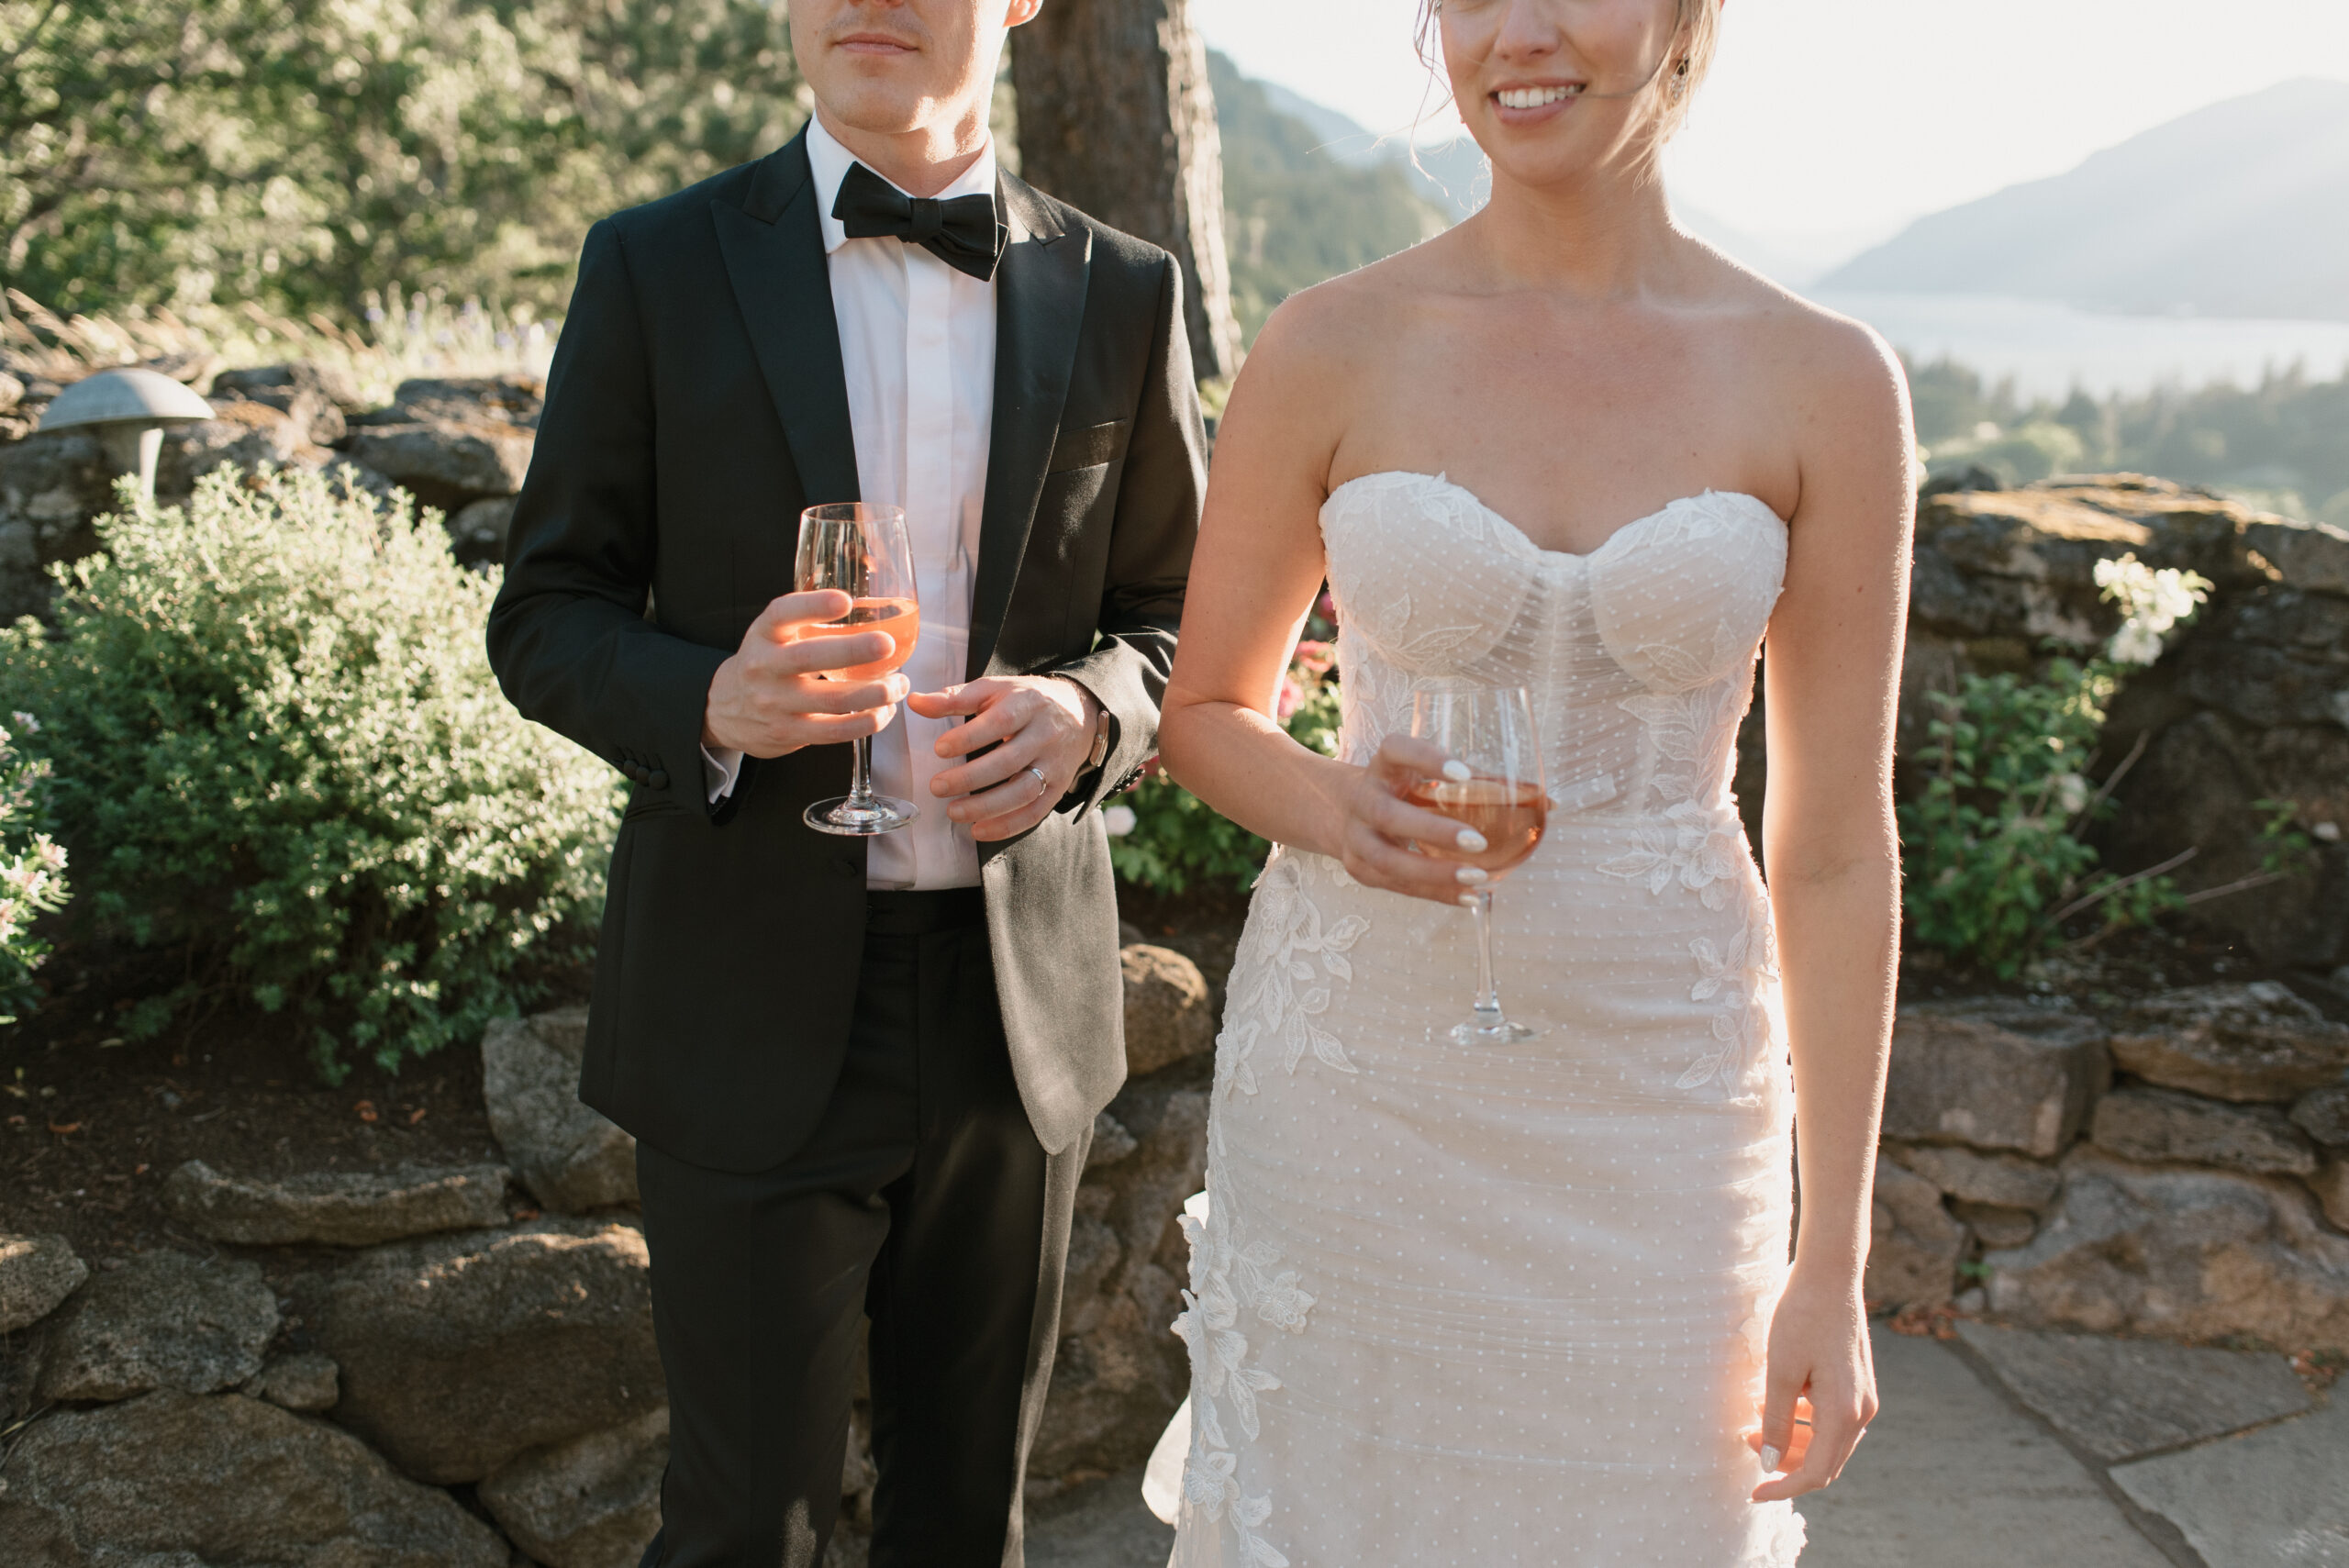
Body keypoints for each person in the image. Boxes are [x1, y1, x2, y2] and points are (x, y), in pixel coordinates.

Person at [1153, 0, 1907, 1561]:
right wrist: (1328, 804)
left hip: (1666, 1103)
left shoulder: (1825, 381)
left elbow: (1833, 844)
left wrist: (1831, 1253)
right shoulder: (1331, 342)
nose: (1519, 33)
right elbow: (1208, 712)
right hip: (1362, 1087)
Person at [484, 0, 1207, 1560]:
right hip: (741, 988)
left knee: (967, 1525)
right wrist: (717, 701)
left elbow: (1178, 623)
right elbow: (543, 616)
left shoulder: (1126, 290)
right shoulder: (655, 265)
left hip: (1016, 1014)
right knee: (745, 1528)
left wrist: (1088, 714)